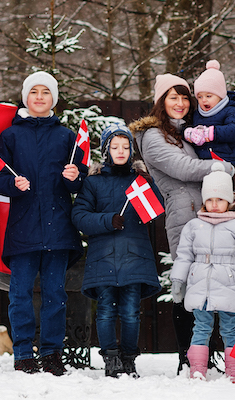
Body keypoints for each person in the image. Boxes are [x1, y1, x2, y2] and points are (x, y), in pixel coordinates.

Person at [129, 74, 235, 373]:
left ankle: (210, 354)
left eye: (184, 98)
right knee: (190, 286)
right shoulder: (153, 135)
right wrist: (224, 168)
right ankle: (187, 357)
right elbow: (183, 167)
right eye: (172, 98)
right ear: (161, 102)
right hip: (184, 212)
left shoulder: (187, 131)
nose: (179, 103)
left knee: (217, 282)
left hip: (209, 210)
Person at [0, 71, 86, 376]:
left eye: (46, 92)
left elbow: (80, 180)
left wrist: (76, 178)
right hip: (22, 229)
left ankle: (52, 352)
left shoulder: (66, 136)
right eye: (34, 92)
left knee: (55, 295)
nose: (40, 97)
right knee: (19, 294)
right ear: (25, 97)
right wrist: (11, 185)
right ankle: (22, 353)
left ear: (53, 99)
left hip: (58, 229)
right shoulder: (10, 136)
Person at [71, 122, 162, 378]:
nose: (120, 151)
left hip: (135, 256)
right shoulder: (93, 182)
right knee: (106, 311)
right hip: (103, 258)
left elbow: (156, 209)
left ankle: (129, 357)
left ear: (131, 150)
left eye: (125, 146)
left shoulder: (140, 181)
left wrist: (148, 185)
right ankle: (110, 357)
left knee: (131, 312)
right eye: (115, 146)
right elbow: (79, 216)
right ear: (106, 150)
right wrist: (107, 220)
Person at [170, 164, 235, 382]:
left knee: (230, 328)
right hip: (201, 286)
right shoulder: (193, 226)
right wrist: (178, 280)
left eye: (219, 199)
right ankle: (198, 369)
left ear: (229, 200)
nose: (214, 205)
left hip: (230, 286)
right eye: (209, 200)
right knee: (201, 327)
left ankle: (233, 370)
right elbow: (184, 256)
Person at [185, 60, 235, 170]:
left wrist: (210, 133)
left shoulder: (230, 110)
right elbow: (185, 125)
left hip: (228, 159)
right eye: (200, 97)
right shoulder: (197, 114)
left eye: (208, 96)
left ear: (220, 96)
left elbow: (234, 129)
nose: (204, 100)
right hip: (204, 162)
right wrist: (188, 133)